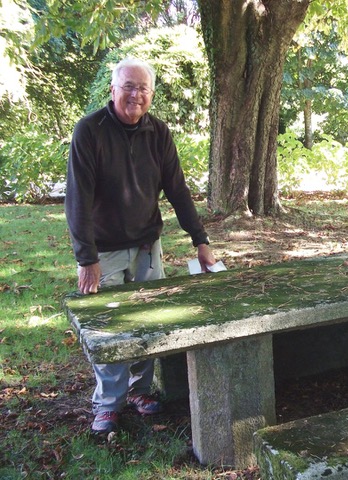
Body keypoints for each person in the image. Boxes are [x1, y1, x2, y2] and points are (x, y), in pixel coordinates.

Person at [65, 57, 217, 434]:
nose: (136, 95)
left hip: (148, 244)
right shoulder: (90, 131)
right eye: (128, 86)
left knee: (148, 324)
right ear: (113, 90)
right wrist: (87, 258)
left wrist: (201, 240)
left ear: (151, 95)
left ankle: (140, 390)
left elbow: (178, 190)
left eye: (143, 89)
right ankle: (108, 404)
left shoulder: (158, 133)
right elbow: (78, 200)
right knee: (112, 328)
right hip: (106, 249)